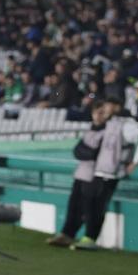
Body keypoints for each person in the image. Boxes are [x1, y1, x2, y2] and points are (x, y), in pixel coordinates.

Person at [74, 97, 138, 251]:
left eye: (108, 105)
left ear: (116, 107)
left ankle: (91, 238)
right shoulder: (108, 124)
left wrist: (135, 162)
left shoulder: (126, 125)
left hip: (112, 173)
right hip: (99, 171)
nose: (105, 109)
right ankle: (87, 237)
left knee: (99, 206)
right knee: (90, 205)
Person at [47, 98, 108, 247]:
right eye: (96, 113)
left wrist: (86, 151)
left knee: (89, 208)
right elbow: (78, 151)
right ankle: (67, 233)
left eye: (102, 113)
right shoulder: (90, 130)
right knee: (73, 205)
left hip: (95, 175)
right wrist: (88, 152)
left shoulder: (106, 133)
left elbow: (91, 152)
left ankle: (88, 238)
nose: (98, 116)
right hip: (81, 173)